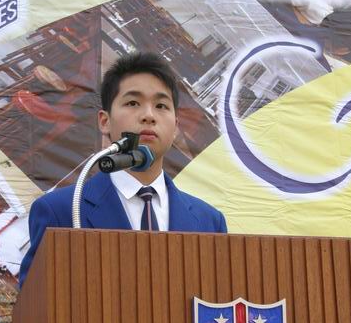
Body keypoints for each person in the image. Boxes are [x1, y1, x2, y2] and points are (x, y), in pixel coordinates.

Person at [19, 52, 227, 286]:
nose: (148, 116)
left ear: (175, 126)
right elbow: (36, 303)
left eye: (161, 105)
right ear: (104, 121)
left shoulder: (209, 222)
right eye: (133, 103)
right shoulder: (61, 211)